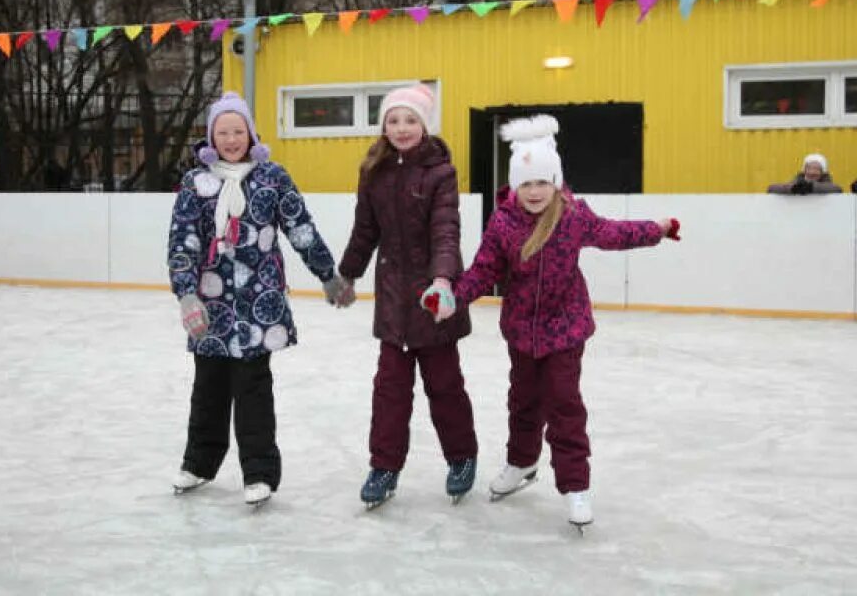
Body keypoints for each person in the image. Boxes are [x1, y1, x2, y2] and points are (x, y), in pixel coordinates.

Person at [425, 115, 679, 529]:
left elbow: (614, 233)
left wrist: (658, 229)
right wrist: (455, 298)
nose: (535, 191)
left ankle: (575, 486)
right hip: (523, 332)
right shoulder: (503, 222)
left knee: (564, 405)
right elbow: (483, 270)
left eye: (542, 182)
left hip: (566, 329)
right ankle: (522, 463)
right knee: (522, 402)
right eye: (526, 183)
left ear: (556, 182)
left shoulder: (573, 216)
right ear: (516, 186)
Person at [166, 92, 348, 506]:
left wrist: (328, 274)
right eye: (223, 131)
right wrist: (186, 295)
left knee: (253, 391)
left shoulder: (272, 177)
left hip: (259, 304)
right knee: (208, 387)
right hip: (210, 307)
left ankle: (260, 473)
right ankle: (198, 463)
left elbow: (300, 228)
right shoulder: (197, 182)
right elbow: (183, 241)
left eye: (238, 130)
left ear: (250, 133)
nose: (231, 139)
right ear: (211, 136)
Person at [336, 83, 479, 508]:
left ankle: (462, 458)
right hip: (393, 300)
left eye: (410, 120)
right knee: (390, 389)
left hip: (435, 301)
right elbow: (365, 230)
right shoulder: (373, 172)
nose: (401, 128)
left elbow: (445, 232)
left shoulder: (441, 173)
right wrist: (346, 275)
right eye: (393, 120)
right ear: (384, 127)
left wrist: (442, 280)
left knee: (445, 386)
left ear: (425, 125)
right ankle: (383, 467)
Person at [767, 153, 843, 194]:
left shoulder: (828, 185)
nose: (812, 172)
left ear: (823, 172)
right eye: (809, 168)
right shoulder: (797, 181)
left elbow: (838, 189)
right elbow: (771, 188)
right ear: (804, 170)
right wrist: (793, 188)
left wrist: (811, 187)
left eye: (816, 169)